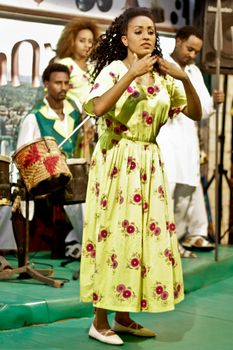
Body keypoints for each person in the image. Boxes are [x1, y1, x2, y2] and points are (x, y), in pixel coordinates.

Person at [80, 7, 202, 345]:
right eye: (138, 31)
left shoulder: (164, 77)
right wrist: (130, 75)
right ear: (124, 38)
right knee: (114, 238)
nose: (146, 36)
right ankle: (99, 319)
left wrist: (184, 77)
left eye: (151, 31)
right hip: (117, 161)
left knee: (141, 241)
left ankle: (122, 316)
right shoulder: (114, 70)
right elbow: (99, 107)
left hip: (148, 163)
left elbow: (194, 112)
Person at [157, 26, 225, 258]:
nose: (192, 55)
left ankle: (175, 243)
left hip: (187, 140)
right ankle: (161, 245)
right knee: (167, 190)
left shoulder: (194, 72)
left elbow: (203, 110)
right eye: (189, 49)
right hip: (165, 137)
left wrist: (215, 104)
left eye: (196, 51)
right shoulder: (161, 64)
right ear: (178, 41)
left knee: (185, 192)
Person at [16, 63, 81, 257]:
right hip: (48, 180)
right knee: (80, 202)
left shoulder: (76, 115)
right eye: (57, 83)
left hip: (73, 175)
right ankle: (81, 241)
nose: (63, 87)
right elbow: (24, 156)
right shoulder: (34, 118)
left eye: (66, 83)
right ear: (46, 84)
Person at [55, 18, 99, 259]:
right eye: (82, 40)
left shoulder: (93, 68)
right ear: (71, 40)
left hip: (93, 135)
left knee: (91, 186)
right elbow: (57, 97)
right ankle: (76, 239)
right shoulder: (64, 65)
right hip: (72, 131)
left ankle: (84, 239)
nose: (86, 46)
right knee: (73, 185)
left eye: (90, 42)